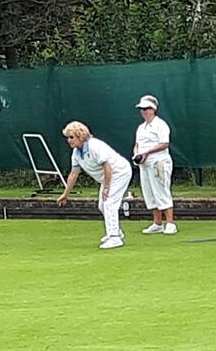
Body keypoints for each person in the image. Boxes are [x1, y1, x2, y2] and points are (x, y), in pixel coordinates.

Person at [58, 121, 133, 249]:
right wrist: (65, 194)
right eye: (68, 138)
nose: (69, 141)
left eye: (72, 137)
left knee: (109, 203)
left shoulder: (95, 146)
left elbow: (107, 167)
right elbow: (73, 174)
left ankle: (115, 238)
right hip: (108, 177)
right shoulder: (76, 153)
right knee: (102, 205)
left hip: (120, 173)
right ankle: (116, 232)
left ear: (80, 136)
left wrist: (107, 187)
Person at [132, 94, 177, 235]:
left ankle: (170, 223)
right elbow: (137, 145)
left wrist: (147, 152)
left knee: (161, 190)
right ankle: (157, 223)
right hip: (144, 165)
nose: (143, 111)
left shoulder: (161, 125)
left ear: (153, 109)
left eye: (146, 109)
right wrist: (137, 155)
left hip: (159, 162)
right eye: (142, 109)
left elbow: (164, 144)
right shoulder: (141, 127)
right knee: (149, 192)